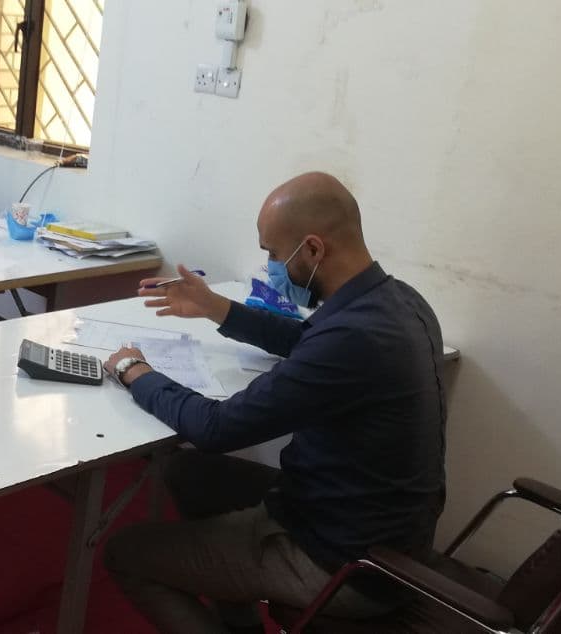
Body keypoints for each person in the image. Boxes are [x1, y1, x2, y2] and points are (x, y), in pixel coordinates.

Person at [102, 172, 447, 632]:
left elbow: (216, 429)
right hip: (380, 528)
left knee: (125, 554)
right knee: (188, 473)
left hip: (342, 560)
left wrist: (136, 372)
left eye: (273, 254)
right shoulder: (399, 301)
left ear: (313, 249)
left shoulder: (354, 336)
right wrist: (216, 308)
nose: (270, 267)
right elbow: (306, 339)